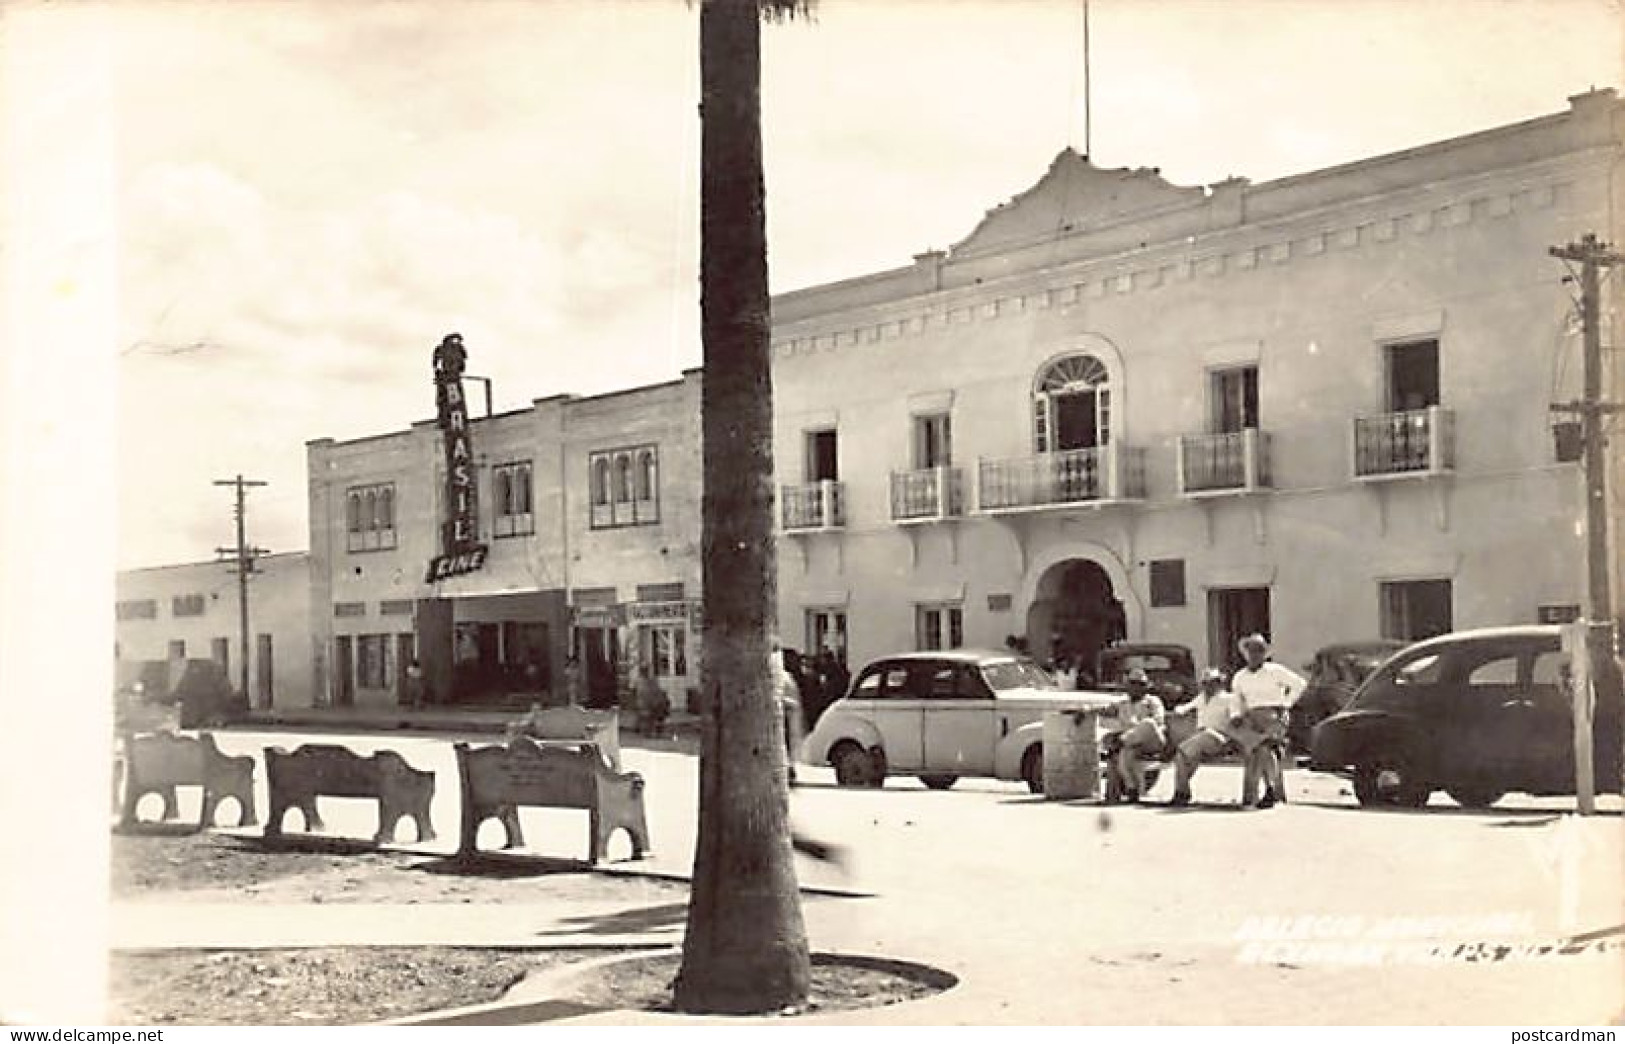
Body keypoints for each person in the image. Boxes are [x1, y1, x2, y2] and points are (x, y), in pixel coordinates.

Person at [1229, 633, 1308, 809]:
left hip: (1274, 715)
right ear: (1246, 653)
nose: (1255, 654)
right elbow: (1237, 700)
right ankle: (1263, 793)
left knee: (1264, 748)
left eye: (1259, 650)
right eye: (1251, 650)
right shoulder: (1240, 677)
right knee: (1256, 750)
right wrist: (1236, 715)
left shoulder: (1275, 671)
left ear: (1265, 653)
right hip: (1251, 717)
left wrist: (1286, 704)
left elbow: (1300, 684)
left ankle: (1268, 792)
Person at [1168, 667, 1242, 806]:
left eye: (1212, 682)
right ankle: (1181, 793)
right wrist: (1179, 710)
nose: (1208, 686)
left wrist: (1235, 719)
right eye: (1205, 683)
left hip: (1220, 738)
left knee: (1193, 744)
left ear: (1219, 683)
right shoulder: (1201, 698)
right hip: (1200, 740)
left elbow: (1236, 718)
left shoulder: (1229, 698)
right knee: (1181, 757)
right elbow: (1184, 708)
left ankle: (1181, 791)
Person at [1110, 667, 1167, 802]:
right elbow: (1103, 709)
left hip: (1152, 740)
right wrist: (1084, 711)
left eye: (1140, 684)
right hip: (1132, 743)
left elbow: (1158, 721)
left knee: (1147, 723)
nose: (1136, 687)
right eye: (1133, 683)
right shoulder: (1122, 703)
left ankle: (1121, 740)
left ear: (1145, 686)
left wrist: (1129, 732)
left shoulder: (1153, 702)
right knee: (1125, 754)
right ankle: (1132, 790)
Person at [771, 640, 804, 785]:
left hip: (785, 716)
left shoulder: (781, 676)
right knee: (787, 745)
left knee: (785, 745)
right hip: (787, 716)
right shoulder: (786, 677)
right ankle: (788, 769)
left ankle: (788, 769)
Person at [633, 663, 669, 737]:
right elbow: (642, 693)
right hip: (646, 703)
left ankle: (654, 730)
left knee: (659, 710)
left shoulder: (650, 680)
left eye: (646, 670)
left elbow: (657, 691)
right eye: (645, 670)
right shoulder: (641, 681)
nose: (646, 672)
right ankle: (650, 730)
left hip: (649, 703)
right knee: (654, 712)